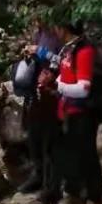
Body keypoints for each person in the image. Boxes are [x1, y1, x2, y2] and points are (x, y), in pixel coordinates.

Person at [49, 19, 102, 204]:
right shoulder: (67, 49)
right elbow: (64, 75)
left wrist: (59, 86)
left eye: (56, 26)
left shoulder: (84, 50)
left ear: (63, 28)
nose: (54, 31)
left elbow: (83, 89)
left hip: (83, 113)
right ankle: (72, 193)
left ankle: (94, 202)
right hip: (67, 111)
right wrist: (54, 81)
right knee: (68, 155)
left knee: (87, 156)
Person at [14, 17, 62, 194]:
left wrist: (40, 52)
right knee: (34, 136)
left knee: (50, 142)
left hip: (53, 92)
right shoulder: (40, 34)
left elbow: (62, 60)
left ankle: (52, 186)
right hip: (36, 91)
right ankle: (38, 174)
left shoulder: (57, 35)